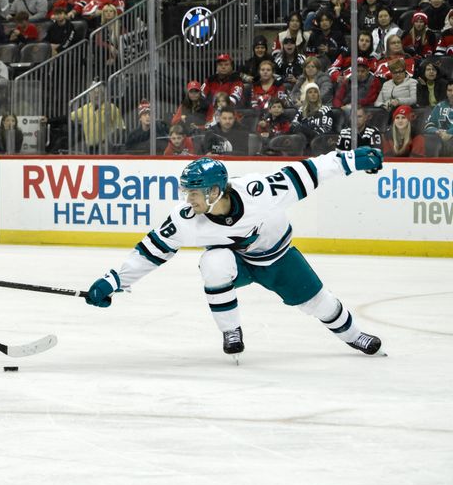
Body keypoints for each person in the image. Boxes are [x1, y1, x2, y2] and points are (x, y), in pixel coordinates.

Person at [83, 151, 386, 360]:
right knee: (214, 264)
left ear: (215, 192)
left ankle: (355, 336)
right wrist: (113, 281)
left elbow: (308, 171)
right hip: (238, 262)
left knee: (320, 303)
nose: (188, 199)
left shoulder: (260, 192)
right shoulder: (187, 218)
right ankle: (231, 331)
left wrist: (349, 160)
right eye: (186, 192)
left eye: (194, 192)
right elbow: (149, 253)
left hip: (278, 258)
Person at [424, 83, 453, 157]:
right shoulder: (440, 106)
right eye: (450, 90)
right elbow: (428, 126)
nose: (452, 93)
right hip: (440, 139)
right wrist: (437, 131)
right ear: (446, 92)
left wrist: (449, 133)